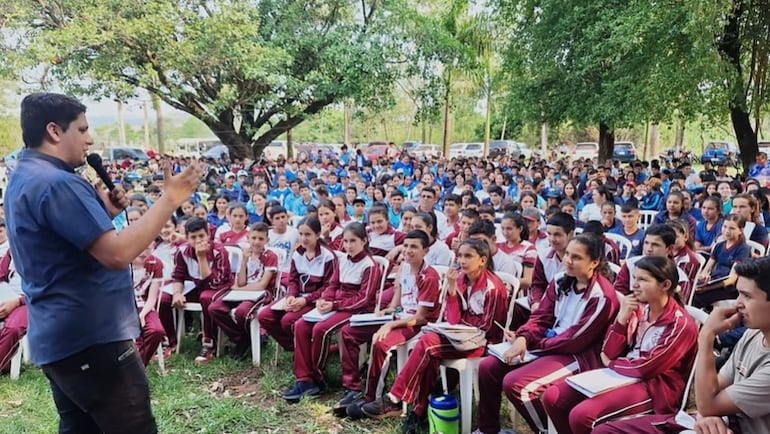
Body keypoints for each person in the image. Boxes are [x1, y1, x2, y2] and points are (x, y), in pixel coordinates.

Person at [6, 93, 201, 433]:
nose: (90, 138)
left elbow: (68, 246)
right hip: (91, 338)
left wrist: (102, 215)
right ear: (54, 130)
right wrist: (170, 199)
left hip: (60, 335)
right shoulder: (57, 183)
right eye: (81, 129)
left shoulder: (25, 175)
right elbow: (116, 254)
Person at [594, 256, 770, 434]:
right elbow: (713, 390)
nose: (738, 303)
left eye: (747, 296)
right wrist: (709, 414)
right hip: (718, 421)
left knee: (587, 415)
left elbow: (708, 403)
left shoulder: (679, 323)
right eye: (738, 294)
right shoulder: (753, 334)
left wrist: (707, 336)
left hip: (725, 423)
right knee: (604, 431)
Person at [473, 234, 619, 434]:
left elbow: (575, 340)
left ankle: (547, 431)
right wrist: (524, 336)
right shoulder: (561, 279)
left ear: (594, 262)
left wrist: (532, 342)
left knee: (517, 384)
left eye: (576, 257)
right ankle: (488, 429)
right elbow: (541, 316)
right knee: (488, 367)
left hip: (578, 355)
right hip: (550, 343)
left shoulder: (602, 296)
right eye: (567, 254)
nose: (567, 260)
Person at [360, 239, 508, 434]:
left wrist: (462, 325)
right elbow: (453, 319)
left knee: (427, 344)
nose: (462, 261)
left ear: (482, 260)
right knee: (428, 349)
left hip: (483, 342)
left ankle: (396, 398)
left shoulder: (493, 287)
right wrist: (453, 289)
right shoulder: (460, 279)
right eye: (460, 256)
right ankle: (419, 411)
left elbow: (488, 330)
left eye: (468, 256)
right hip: (459, 335)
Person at [542, 256, 698, 434]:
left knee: (582, 415)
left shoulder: (680, 324)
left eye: (643, 279)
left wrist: (613, 364)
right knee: (552, 397)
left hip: (655, 388)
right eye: (635, 277)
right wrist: (621, 319)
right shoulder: (638, 307)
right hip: (622, 374)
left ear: (665, 285)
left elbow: (646, 368)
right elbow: (608, 351)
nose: (634, 285)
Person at [335, 230, 440, 417]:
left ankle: (373, 398)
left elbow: (421, 317)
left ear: (425, 251)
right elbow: (398, 301)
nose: (407, 250)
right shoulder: (404, 267)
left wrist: (390, 325)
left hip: (416, 324)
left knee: (382, 342)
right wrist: (387, 313)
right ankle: (352, 388)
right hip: (399, 317)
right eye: (406, 245)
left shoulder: (429, 276)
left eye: (414, 247)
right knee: (348, 331)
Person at [283, 222, 383, 402]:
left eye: (353, 241)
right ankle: (304, 379)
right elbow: (332, 284)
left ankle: (316, 376)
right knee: (301, 325)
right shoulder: (342, 259)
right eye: (345, 241)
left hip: (356, 309)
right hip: (336, 304)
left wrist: (334, 305)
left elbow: (364, 299)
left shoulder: (370, 265)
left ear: (364, 241)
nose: (349, 245)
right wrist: (325, 299)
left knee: (321, 329)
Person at [160, 217, 234, 364]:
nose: (198, 240)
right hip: (196, 286)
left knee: (206, 298)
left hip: (219, 288)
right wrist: (177, 293)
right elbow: (178, 276)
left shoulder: (219, 251)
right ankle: (169, 341)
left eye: (201, 236)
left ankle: (208, 344)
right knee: (163, 298)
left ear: (208, 235)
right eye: (193, 237)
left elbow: (213, 283)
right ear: (187, 238)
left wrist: (201, 257)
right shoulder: (182, 252)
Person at [257, 217, 336, 352]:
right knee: (264, 316)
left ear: (317, 235)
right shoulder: (297, 254)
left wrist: (305, 300)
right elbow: (293, 280)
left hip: (315, 300)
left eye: (308, 234)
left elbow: (328, 287)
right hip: (298, 297)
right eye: (301, 234)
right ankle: (295, 347)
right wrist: (290, 296)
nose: (303, 238)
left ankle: (307, 349)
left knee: (287, 321)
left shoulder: (327, 256)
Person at [209, 223, 278, 360]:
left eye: (260, 239)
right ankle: (243, 338)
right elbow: (240, 281)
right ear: (248, 238)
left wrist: (240, 289)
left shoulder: (270, 256)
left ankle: (245, 341)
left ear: (267, 240)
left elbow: (262, 285)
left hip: (261, 294)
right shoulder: (245, 253)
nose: (256, 242)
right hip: (243, 291)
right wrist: (244, 260)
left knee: (242, 312)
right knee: (214, 308)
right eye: (253, 238)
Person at [131, 246, 165, 367]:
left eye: (149, 248)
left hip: (143, 305)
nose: (145, 252)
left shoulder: (155, 263)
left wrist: (142, 315)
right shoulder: (122, 262)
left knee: (157, 331)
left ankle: (137, 366)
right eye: (142, 247)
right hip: (123, 305)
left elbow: (152, 297)